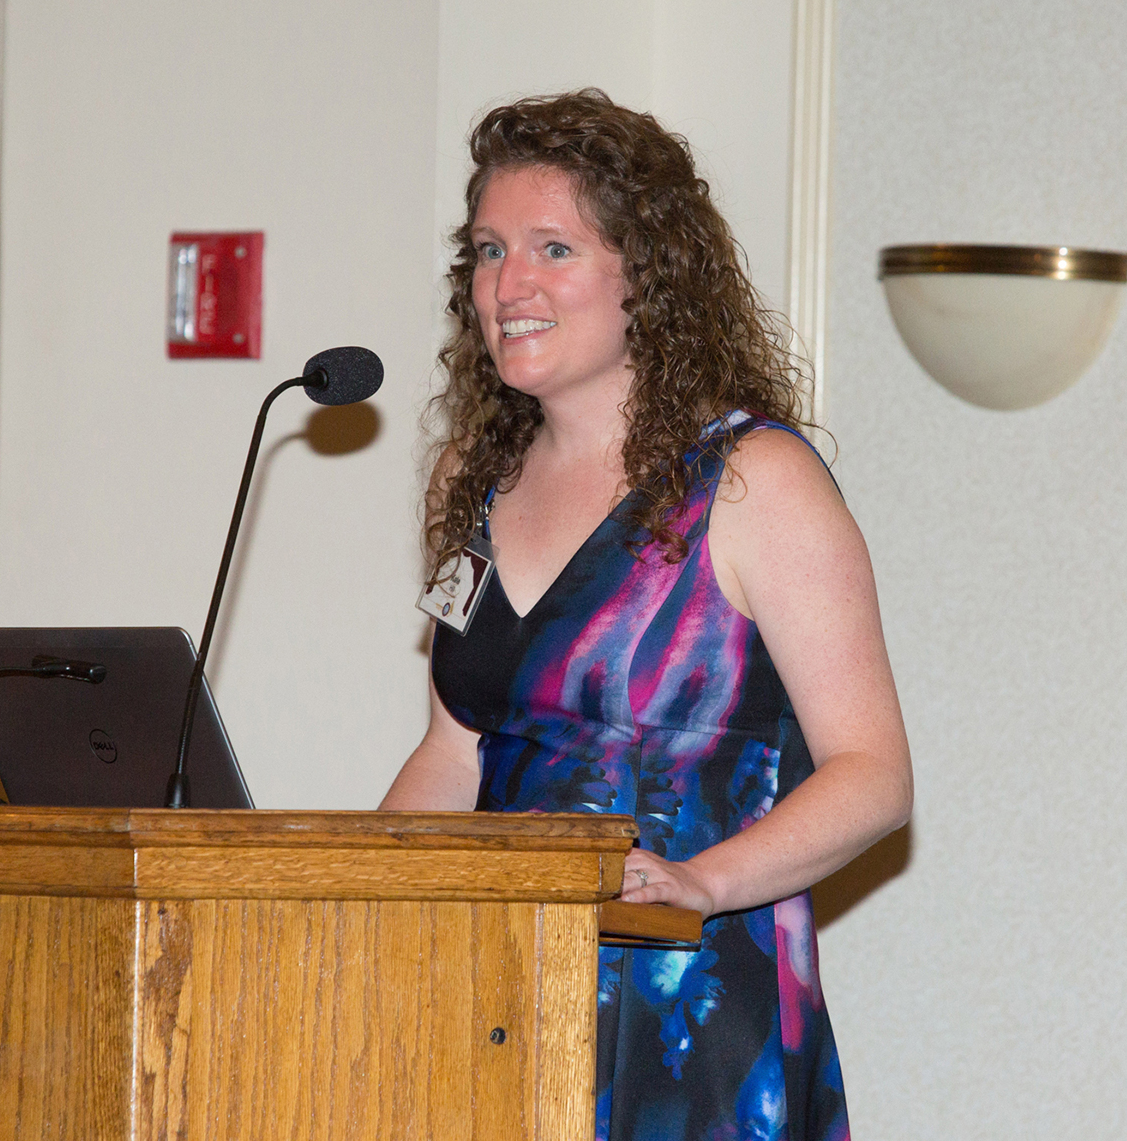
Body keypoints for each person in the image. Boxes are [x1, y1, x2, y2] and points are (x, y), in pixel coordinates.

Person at [381, 89, 912, 1141]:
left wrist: (700, 883)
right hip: (495, 995)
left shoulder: (753, 482)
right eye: (488, 251)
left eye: (553, 249)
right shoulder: (468, 480)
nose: (510, 285)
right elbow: (455, 748)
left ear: (646, 278)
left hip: (689, 1012)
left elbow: (874, 776)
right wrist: (351, 892)